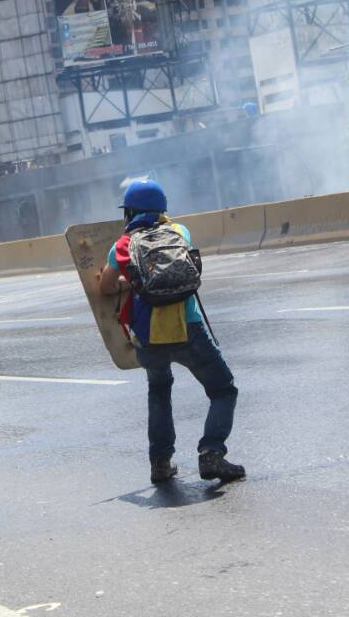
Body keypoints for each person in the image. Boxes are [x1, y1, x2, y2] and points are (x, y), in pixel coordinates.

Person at [99, 179, 245, 484]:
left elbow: (106, 286)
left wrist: (129, 283)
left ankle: (161, 465)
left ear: (130, 212)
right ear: (162, 209)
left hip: (148, 336)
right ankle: (211, 453)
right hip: (187, 327)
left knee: (160, 390)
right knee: (222, 389)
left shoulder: (122, 246)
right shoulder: (180, 232)